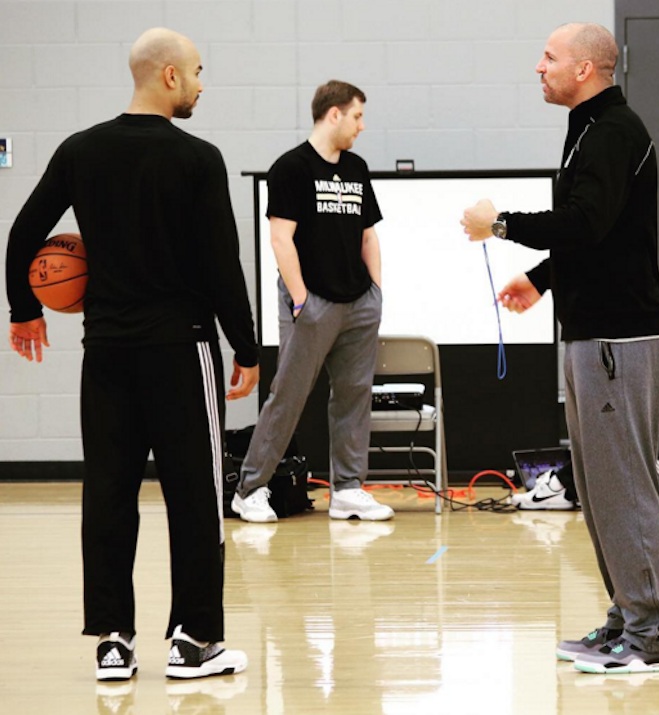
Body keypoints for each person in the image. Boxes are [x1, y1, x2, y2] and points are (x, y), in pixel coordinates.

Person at [6, 28, 259, 682]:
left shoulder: (80, 150)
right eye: (199, 71)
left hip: (107, 354)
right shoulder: (198, 158)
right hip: (182, 352)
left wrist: (25, 309)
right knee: (196, 497)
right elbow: (221, 265)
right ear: (169, 75)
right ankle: (195, 639)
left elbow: (23, 234)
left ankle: (113, 643)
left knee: (108, 493)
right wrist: (248, 345)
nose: (203, 83)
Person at [461, 23, 659, 674]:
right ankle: (628, 615)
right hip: (595, 331)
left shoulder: (613, 132)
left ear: (585, 69)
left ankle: (653, 635)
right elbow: (599, 234)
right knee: (598, 488)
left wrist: (498, 225)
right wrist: (542, 278)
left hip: (620, 335)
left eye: (549, 58)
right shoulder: (588, 129)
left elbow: (584, 222)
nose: (539, 67)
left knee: (623, 488)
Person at [232, 80, 393, 524]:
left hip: (359, 302)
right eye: (357, 116)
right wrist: (301, 300)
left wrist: (375, 293)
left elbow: (368, 235)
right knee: (289, 395)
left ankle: (348, 490)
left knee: (354, 395)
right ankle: (250, 489)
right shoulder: (291, 168)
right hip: (313, 303)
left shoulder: (357, 168)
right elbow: (281, 239)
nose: (362, 125)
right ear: (334, 114)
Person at [514, 303, 659, 513]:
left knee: (623, 428)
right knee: (642, 423)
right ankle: (566, 485)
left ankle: (557, 487)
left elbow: (618, 424)